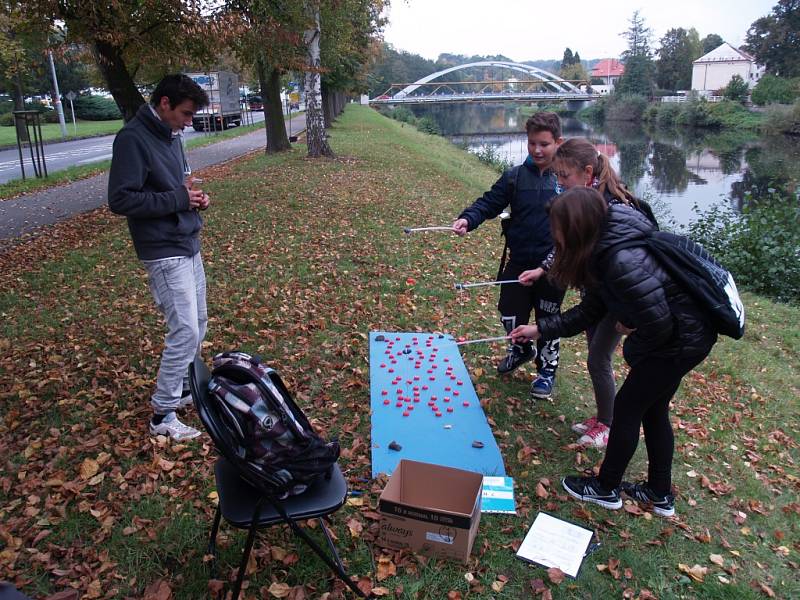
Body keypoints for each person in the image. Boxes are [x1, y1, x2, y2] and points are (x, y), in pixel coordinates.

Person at [511, 188, 717, 517]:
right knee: (653, 410)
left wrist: (629, 342)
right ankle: (659, 493)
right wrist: (540, 329)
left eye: (556, 227)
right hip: (684, 335)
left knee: (627, 408)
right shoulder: (603, 250)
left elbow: (657, 326)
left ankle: (606, 488)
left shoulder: (620, 260)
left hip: (681, 340)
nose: (553, 234)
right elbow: (589, 310)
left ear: (575, 227)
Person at [520, 138, 658, 449]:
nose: (559, 183)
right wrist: (545, 269)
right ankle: (604, 417)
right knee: (597, 355)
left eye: (563, 176)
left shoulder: (610, 206)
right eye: (556, 176)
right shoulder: (586, 199)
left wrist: (628, 315)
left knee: (598, 358)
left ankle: (608, 425)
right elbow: (568, 245)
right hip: (604, 294)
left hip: (619, 298)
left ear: (586, 172)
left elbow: (630, 263)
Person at [108, 74, 210, 441]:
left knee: (198, 321)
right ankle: (162, 415)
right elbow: (121, 199)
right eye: (185, 114)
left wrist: (195, 198)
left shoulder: (171, 136)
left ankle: (184, 390)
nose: (189, 122)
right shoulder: (133, 139)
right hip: (162, 248)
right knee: (184, 329)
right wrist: (180, 200)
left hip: (186, 239)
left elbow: (180, 185)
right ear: (164, 103)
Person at [452, 112, 565, 400]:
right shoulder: (514, 177)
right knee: (509, 313)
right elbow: (489, 203)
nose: (537, 150)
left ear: (557, 143)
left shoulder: (566, 180)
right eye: (531, 144)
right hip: (517, 261)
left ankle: (546, 370)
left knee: (547, 320)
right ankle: (520, 349)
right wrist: (468, 219)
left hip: (553, 267)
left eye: (544, 144)